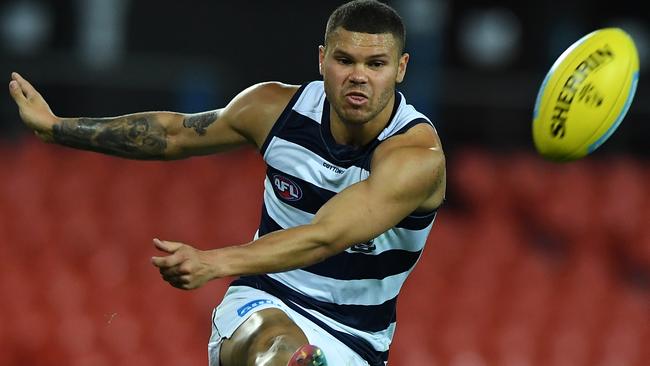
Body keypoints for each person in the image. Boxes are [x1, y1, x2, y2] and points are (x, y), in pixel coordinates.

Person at [8, 0, 446, 365]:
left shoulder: (415, 158)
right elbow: (174, 132)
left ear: (401, 68)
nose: (359, 76)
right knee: (276, 349)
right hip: (267, 297)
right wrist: (57, 128)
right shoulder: (274, 109)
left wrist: (215, 262)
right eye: (344, 60)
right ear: (321, 59)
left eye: (376, 64)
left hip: (358, 341)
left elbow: (324, 235)